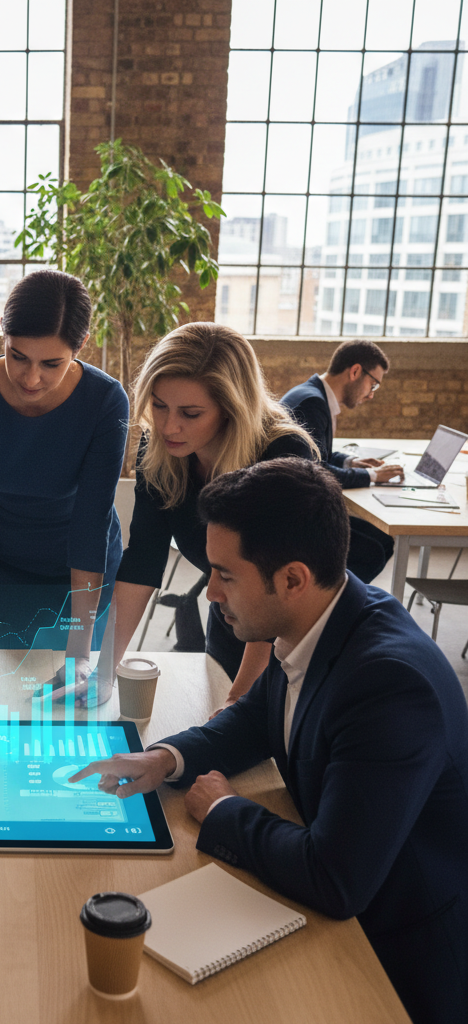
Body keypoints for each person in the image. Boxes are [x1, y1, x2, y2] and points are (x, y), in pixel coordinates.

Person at [69, 458, 468, 1024]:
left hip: (397, 961)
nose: (209, 593)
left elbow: (336, 878)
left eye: (224, 575)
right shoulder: (321, 616)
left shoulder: (389, 686)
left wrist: (225, 810)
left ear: (293, 578)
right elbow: (259, 717)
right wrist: (163, 759)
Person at [76, 322, 316, 710]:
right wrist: (105, 671)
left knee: (266, 736)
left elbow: (272, 585)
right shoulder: (160, 450)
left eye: (190, 413)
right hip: (230, 615)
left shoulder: (281, 453)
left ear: (230, 408)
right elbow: (143, 560)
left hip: (293, 628)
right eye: (158, 405)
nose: (169, 427)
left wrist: (240, 696)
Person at [0, 270, 130, 696]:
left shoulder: (106, 401)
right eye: (18, 356)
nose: (31, 378)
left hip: (84, 568)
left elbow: (89, 526)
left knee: (75, 690)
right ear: (3, 334)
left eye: (51, 363)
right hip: (2, 563)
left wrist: (79, 653)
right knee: (9, 690)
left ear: (81, 345)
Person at [282, 339, 401, 583]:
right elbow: (313, 470)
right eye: (373, 384)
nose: (370, 395)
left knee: (382, 541)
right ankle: (327, 606)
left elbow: (317, 453)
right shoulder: (312, 403)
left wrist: (351, 462)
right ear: (355, 371)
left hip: (299, 506)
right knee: (374, 549)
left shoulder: (312, 394)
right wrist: (373, 476)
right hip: (293, 519)